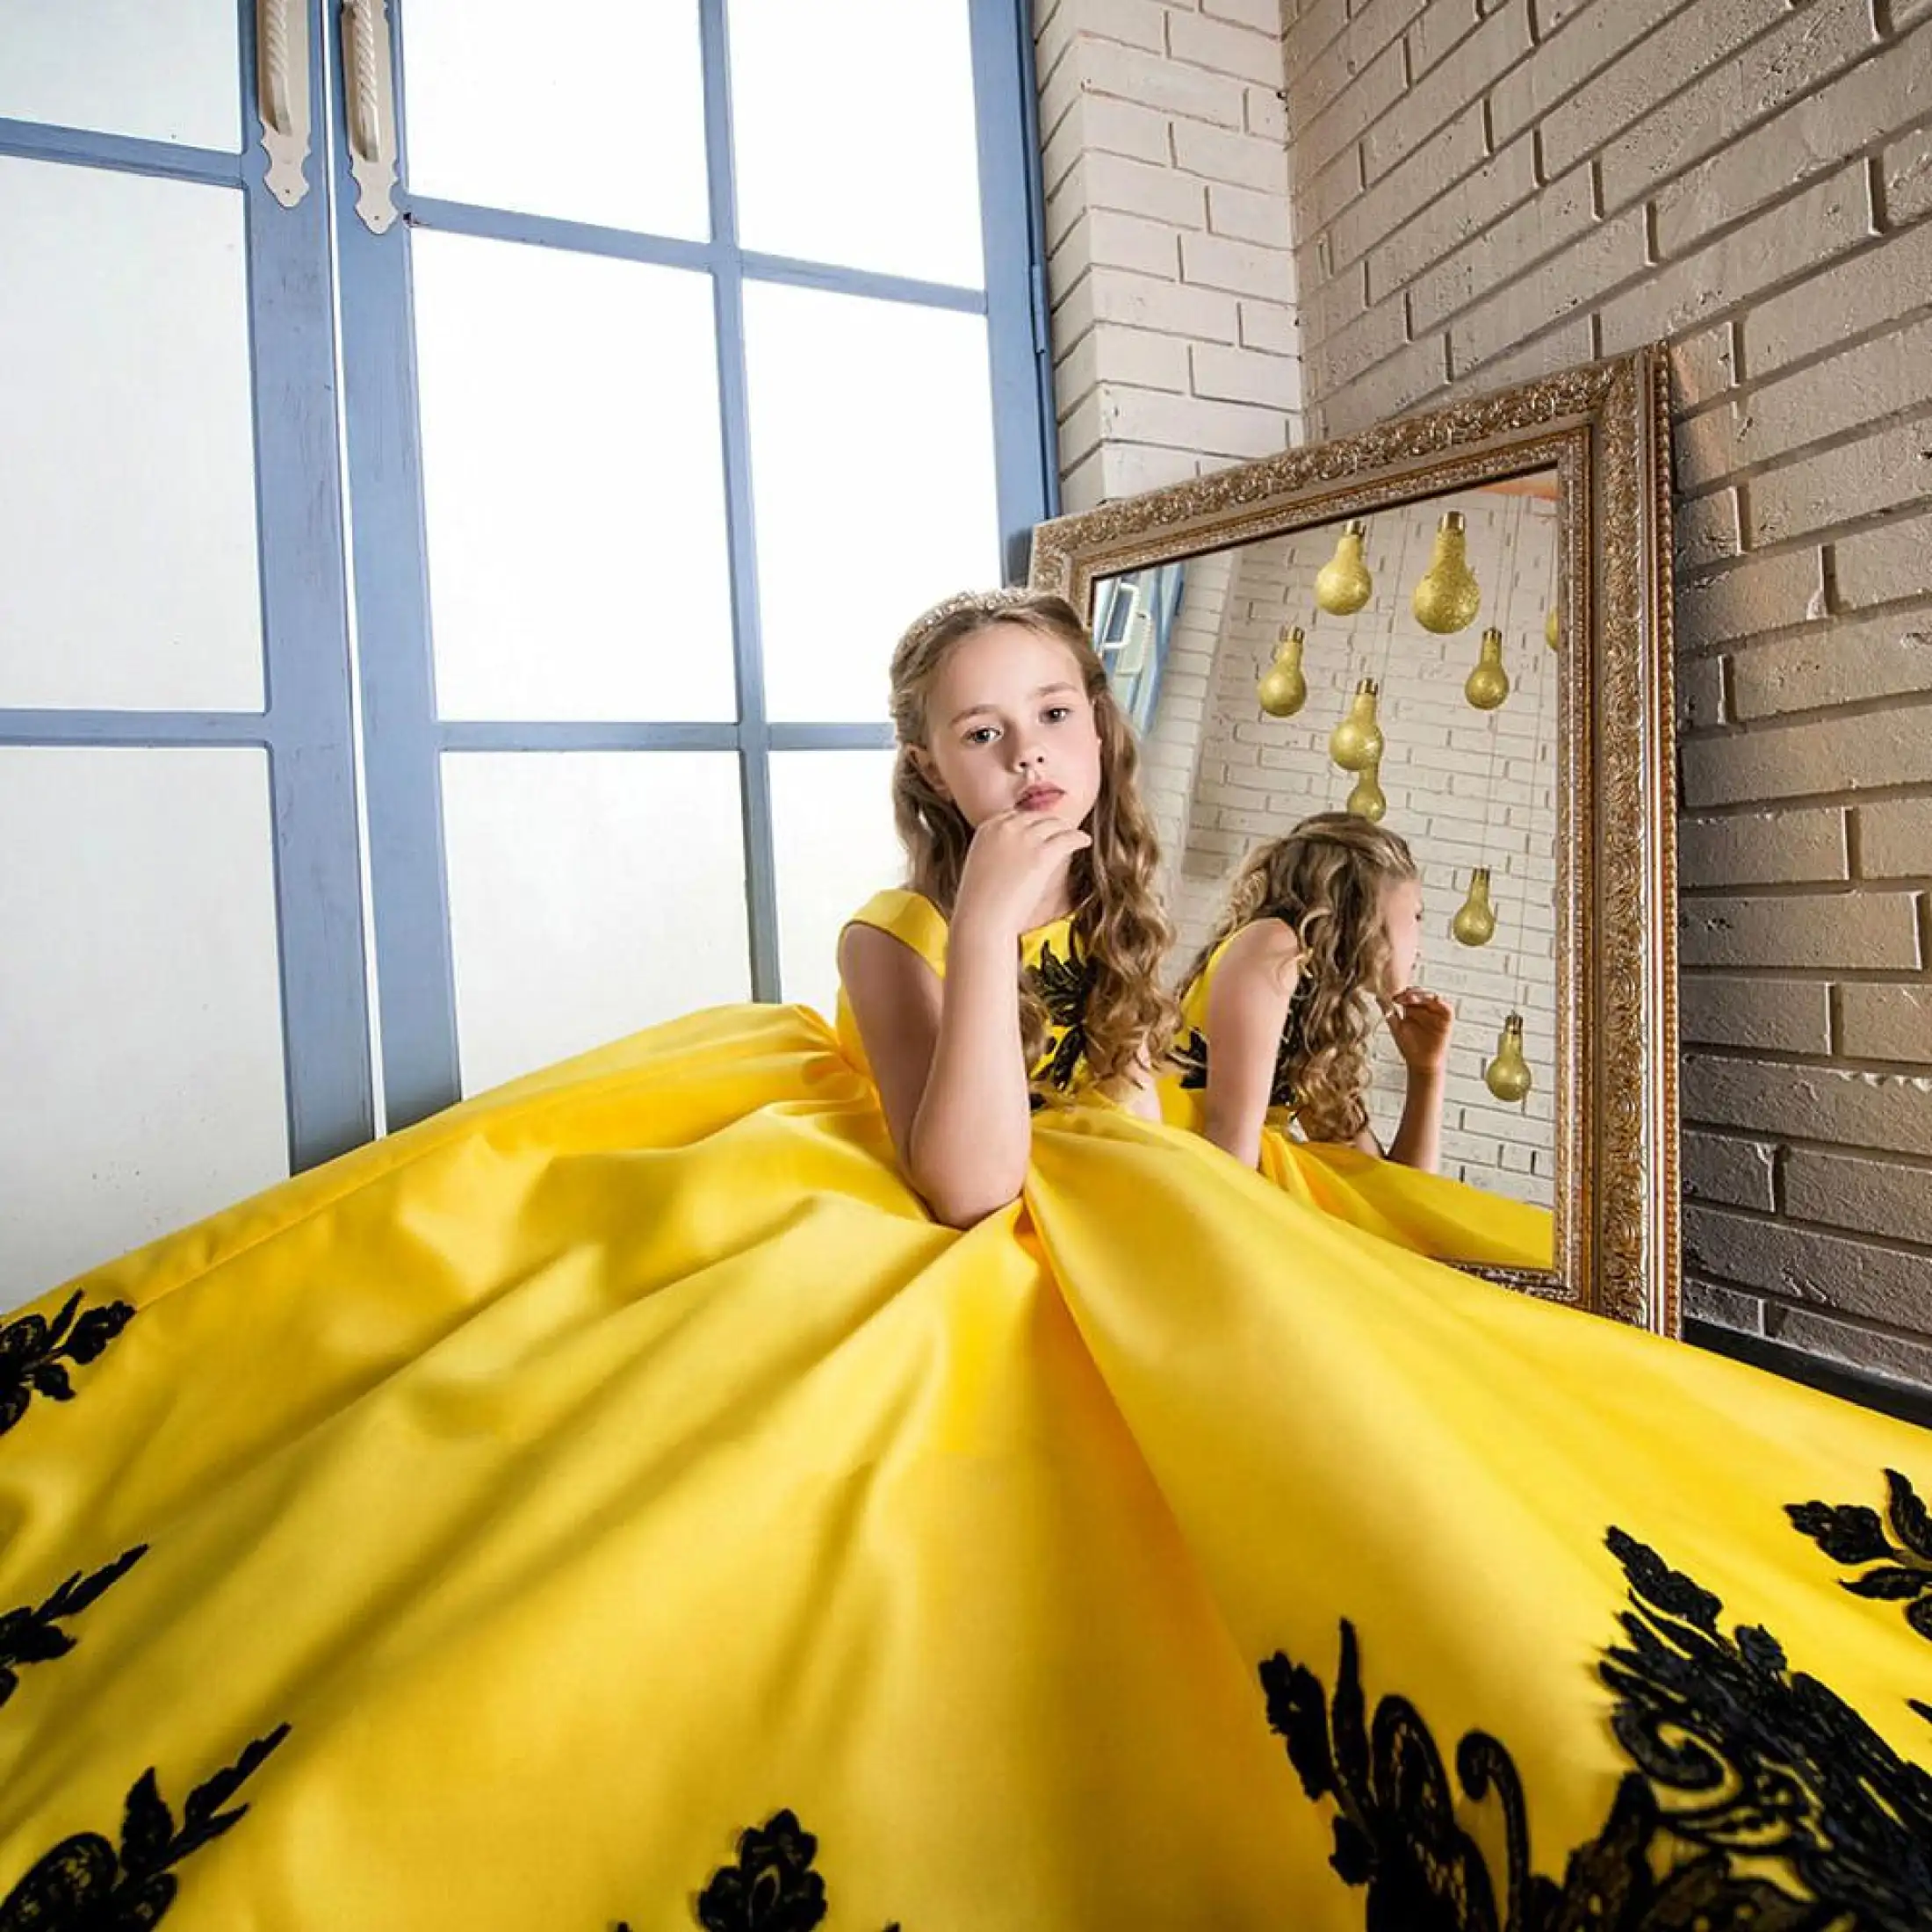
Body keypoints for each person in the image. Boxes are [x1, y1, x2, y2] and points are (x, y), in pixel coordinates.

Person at [1, 591, 1926, 1931]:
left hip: (1142, 1211)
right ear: (929, 765)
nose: (1027, 757)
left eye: (1055, 717)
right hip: (958, 1181)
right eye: (980, 734)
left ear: (1099, 724)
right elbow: (962, 1185)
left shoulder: (1136, 896)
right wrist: (990, 917)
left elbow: (1153, 1133)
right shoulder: (896, 925)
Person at [1163, 813, 1554, 1269]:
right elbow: (1228, 1144)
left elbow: (1399, 1202)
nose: (1421, 943)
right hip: (1196, 1186)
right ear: (1369, 901)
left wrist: (1426, 1071)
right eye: (1418, 915)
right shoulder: (1273, 944)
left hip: (1233, 1187)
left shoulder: (1311, 1003)